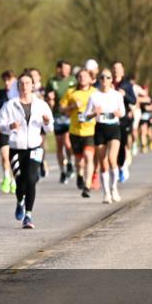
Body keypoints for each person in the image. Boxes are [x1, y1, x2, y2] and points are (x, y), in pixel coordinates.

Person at [1, 73, 53, 229]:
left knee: (31, 179)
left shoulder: (42, 105)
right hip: (16, 148)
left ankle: (28, 215)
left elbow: (49, 128)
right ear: (18, 86)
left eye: (28, 83)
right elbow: (1, 125)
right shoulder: (10, 105)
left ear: (33, 86)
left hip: (35, 147)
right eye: (22, 83)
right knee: (20, 182)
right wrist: (10, 126)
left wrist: (46, 121)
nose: (25, 86)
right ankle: (20, 202)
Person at [85, 68, 126, 204]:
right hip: (100, 128)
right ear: (99, 79)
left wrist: (118, 113)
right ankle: (106, 192)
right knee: (103, 162)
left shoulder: (116, 95)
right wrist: (93, 113)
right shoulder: (94, 96)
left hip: (113, 127)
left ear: (111, 80)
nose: (105, 80)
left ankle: (114, 188)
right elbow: (86, 115)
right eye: (102, 77)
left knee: (112, 159)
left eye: (108, 77)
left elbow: (123, 112)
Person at [61, 69, 97, 199]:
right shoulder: (71, 92)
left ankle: (87, 186)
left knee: (88, 156)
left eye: (85, 76)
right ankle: (80, 175)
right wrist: (72, 107)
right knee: (79, 161)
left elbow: (101, 107)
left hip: (90, 130)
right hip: (75, 131)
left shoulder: (95, 92)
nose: (82, 78)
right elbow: (62, 109)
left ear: (90, 78)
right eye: (80, 76)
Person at [47, 60, 75, 184]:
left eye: (68, 69)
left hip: (69, 116)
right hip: (57, 116)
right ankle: (62, 171)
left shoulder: (74, 80)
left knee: (67, 142)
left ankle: (69, 162)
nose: (66, 71)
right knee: (59, 145)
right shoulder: (52, 82)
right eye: (64, 69)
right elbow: (48, 100)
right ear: (58, 69)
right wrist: (50, 100)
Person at [112, 62, 137, 183]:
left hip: (123, 119)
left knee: (122, 145)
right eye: (114, 68)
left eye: (118, 68)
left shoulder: (126, 85)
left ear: (123, 70)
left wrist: (125, 94)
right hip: (110, 119)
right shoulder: (108, 83)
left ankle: (122, 166)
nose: (116, 70)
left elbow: (133, 100)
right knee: (112, 145)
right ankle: (115, 169)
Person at [0, 70, 17, 194]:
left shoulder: (19, 94)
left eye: (10, 80)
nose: (7, 83)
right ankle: (6, 177)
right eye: (5, 80)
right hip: (4, 128)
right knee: (5, 156)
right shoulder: (1, 94)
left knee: (14, 157)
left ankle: (14, 180)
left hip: (17, 130)